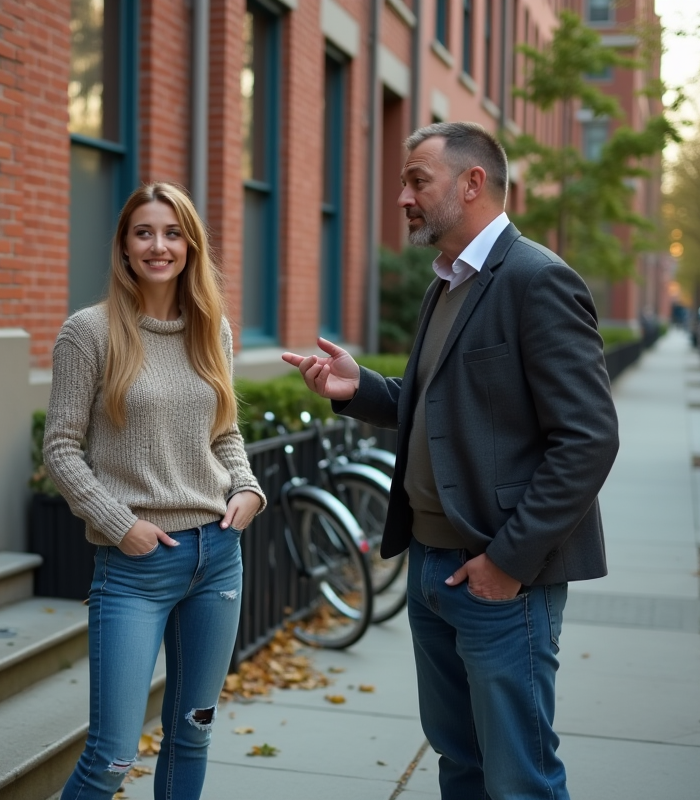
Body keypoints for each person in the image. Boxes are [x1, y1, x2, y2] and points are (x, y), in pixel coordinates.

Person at [283, 121, 619, 799]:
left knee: (519, 776)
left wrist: (507, 563)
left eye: (416, 180)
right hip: (432, 565)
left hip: (499, 575)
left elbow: (588, 438)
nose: (403, 197)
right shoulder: (449, 283)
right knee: (460, 763)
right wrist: (363, 390)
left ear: (472, 183)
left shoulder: (537, 280)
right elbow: (446, 402)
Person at [44, 182, 266, 800]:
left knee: (190, 735)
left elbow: (224, 432)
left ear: (191, 246)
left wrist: (247, 488)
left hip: (218, 558)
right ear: (124, 244)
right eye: (144, 232)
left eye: (173, 233)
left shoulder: (211, 330)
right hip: (136, 567)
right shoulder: (86, 334)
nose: (159, 245)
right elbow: (61, 450)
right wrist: (121, 525)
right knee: (112, 757)